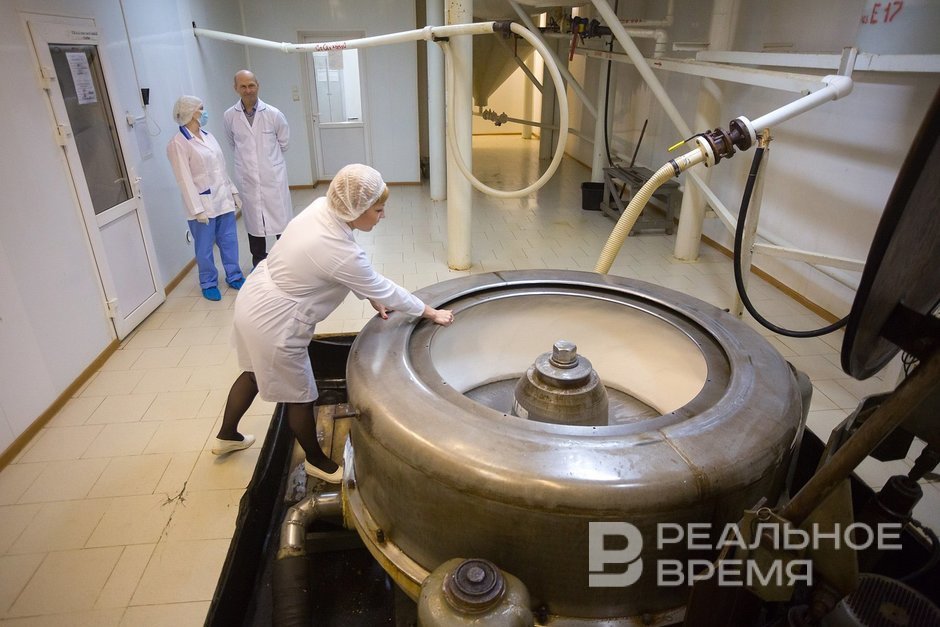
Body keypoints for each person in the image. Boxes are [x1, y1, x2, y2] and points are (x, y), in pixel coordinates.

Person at [211, 164, 455, 481]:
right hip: (276, 323)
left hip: (255, 300)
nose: (383, 216)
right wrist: (430, 312)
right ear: (356, 209)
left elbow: (336, 270)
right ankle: (316, 461)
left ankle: (227, 436)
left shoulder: (322, 208)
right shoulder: (338, 250)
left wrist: (369, 295)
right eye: (378, 210)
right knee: (301, 397)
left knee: (253, 373)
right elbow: (376, 283)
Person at [167, 95, 245, 301]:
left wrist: (233, 191)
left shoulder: (208, 136)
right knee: (204, 248)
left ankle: (234, 276)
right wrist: (197, 209)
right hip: (202, 205)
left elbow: (220, 168)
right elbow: (184, 179)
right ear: (192, 112)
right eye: (201, 108)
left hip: (222, 200)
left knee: (229, 242)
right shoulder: (178, 143)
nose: (204, 112)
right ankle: (208, 283)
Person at [223, 70, 293, 268]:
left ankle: (287, 260)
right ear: (236, 88)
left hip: (272, 176)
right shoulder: (230, 116)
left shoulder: (273, 114)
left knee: (281, 220)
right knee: (254, 221)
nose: (248, 90)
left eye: (251, 85)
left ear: (258, 85)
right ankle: (259, 261)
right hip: (248, 178)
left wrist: (267, 161)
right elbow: (232, 143)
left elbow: (284, 143)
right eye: (243, 86)